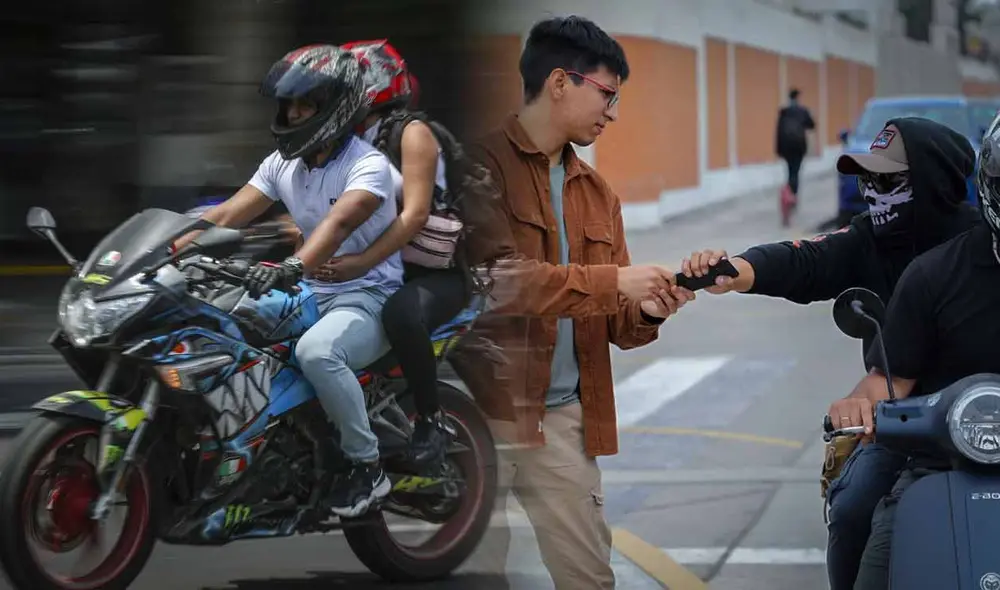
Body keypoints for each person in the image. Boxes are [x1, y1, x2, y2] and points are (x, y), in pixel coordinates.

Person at [679, 117, 980, 590]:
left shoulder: (982, 246)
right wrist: (736, 270)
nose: (871, 191)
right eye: (865, 179)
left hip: (987, 422)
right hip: (901, 420)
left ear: (932, 180)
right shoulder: (870, 241)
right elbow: (806, 259)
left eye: (886, 179)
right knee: (855, 505)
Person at [468, 16, 693, 589]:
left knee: (589, 580)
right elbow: (495, 282)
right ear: (561, 82)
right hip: (479, 418)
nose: (613, 113)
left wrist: (649, 308)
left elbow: (617, 321)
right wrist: (613, 283)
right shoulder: (476, 168)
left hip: (562, 421)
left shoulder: (598, 194)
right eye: (607, 94)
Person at [173, 44, 403, 518]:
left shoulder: (369, 165)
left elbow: (338, 225)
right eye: (289, 105)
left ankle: (368, 468)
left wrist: (291, 267)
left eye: (306, 105)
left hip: (367, 297)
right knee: (217, 318)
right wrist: (167, 247)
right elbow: (226, 214)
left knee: (318, 352)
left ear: (335, 109)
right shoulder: (284, 165)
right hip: (310, 293)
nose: (293, 114)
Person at [826, 110, 1000, 590]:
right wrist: (856, 404)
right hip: (936, 458)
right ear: (990, 183)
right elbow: (889, 381)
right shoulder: (933, 275)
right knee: (855, 506)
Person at [304, 39, 470, 469]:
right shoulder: (345, 140)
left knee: (399, 314)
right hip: (378, 269)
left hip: (431, 272)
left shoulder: (412, 134)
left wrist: (359, 263)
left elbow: (414, 216)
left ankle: (431, 422)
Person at [775, 88, 816, 199]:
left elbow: (778, 131)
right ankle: (793, 195)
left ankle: (790, 193)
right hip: (799, 146)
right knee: (796, 171)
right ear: (797, 97)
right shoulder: (802, 111)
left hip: (786, 147)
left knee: (790, 170)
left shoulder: (784, 112)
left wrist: (778, 149)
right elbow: (812, 125)